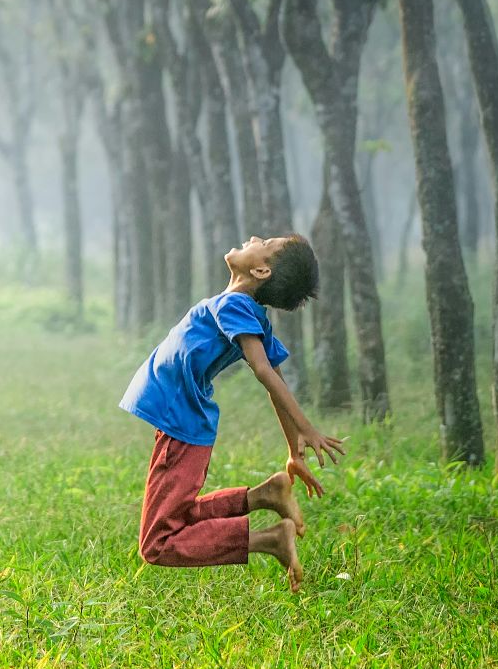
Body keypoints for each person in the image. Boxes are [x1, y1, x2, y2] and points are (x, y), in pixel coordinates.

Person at [119, 235, 344, 591]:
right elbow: (275, 377)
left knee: (157, 543)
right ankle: (264, 496)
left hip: (181, 425)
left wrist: (306, 428)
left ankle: (270, 540)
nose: (254, 237)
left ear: (261, 269)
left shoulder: (237, 305)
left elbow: (265, 371)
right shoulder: (242, 308)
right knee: (177, 517)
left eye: (265, 242)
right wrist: (292, 450)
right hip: (181, 422)